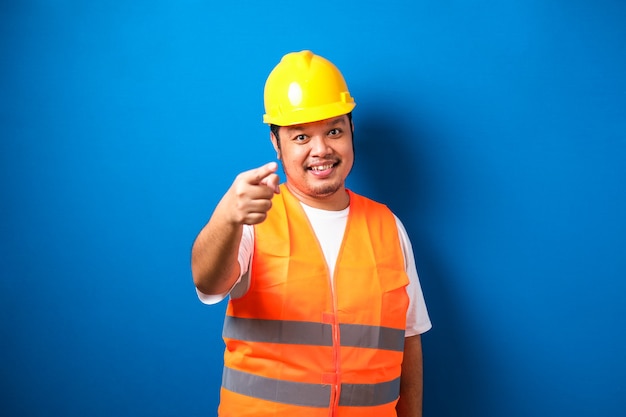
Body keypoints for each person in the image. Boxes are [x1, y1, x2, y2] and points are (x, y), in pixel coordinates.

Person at [191, 50, 431, 417]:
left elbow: (408, 340)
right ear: (276, 142)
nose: (321, 150)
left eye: (334, 130)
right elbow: (208, 285)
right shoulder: (253, 218)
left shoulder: (388, 227)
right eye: (301, 136)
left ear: (352, 130)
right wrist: (226, 219)